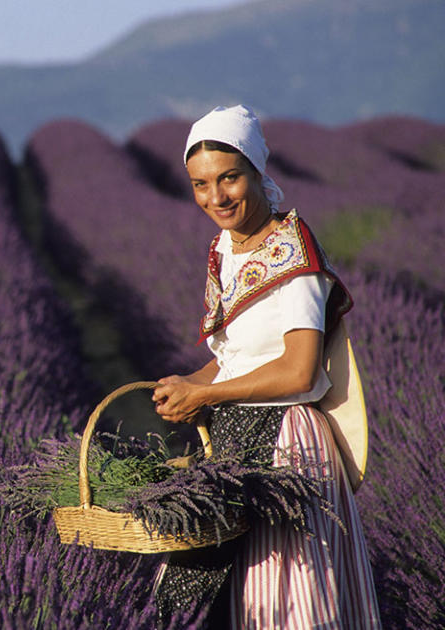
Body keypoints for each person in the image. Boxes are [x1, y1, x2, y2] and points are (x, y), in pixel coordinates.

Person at [149, 104, 382, 628]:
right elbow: (234, 360)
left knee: (284, 599)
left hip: (287, 447)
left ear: (257, 171)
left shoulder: (292, 254)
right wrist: (191, 382)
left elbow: (299, 372)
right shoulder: (224, 250)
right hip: (235, 440)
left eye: (229, 179)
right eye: (200, 184)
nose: (215, 198)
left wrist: (206, 397)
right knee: (215, 594)